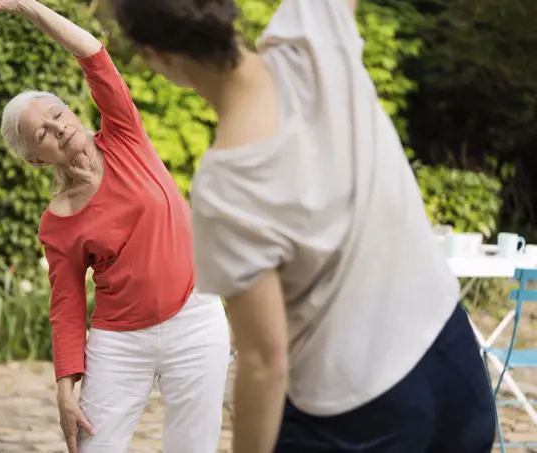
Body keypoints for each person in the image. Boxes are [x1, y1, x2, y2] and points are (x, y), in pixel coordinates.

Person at [111, 0, 497, 452]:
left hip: (355, 411)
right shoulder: (313, 35)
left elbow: (264, 361)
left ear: (158, 56)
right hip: (454, 367)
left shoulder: (225, 186)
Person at [0, 1, 231, 453]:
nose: (57, 128)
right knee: (94, 448)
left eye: (57, 114)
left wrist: (28, 7)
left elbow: (94, 56)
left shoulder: (125, 135)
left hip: (196, 319)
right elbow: (66, 305)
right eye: (42, 134)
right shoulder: (57, 222)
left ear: (71, 111)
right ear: (36, 158)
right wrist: (65, 386)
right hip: (119, 341)